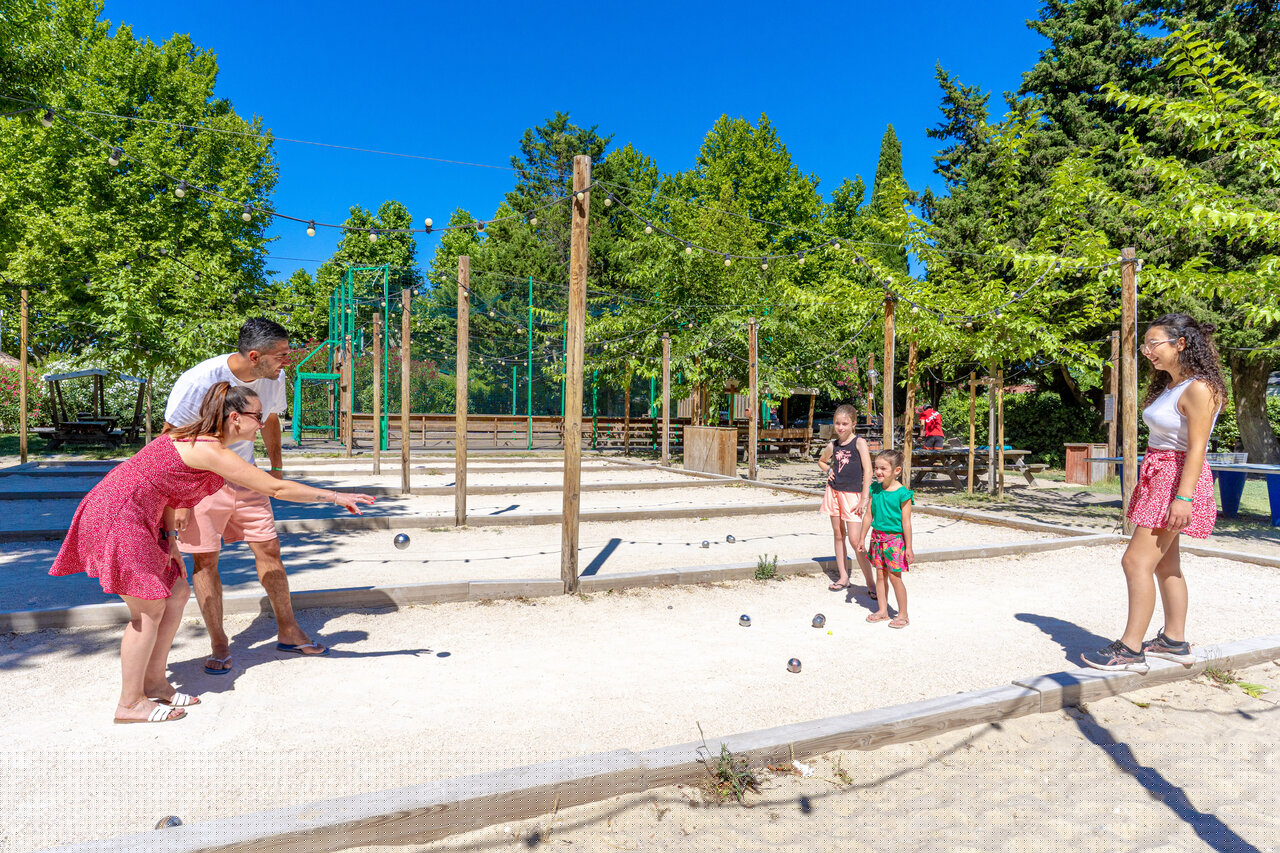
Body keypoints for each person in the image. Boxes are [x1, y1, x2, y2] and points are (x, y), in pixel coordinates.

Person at [50, 383, 374, 723]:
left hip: (138, 515)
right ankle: (129, 704)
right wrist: (334, 497)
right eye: (257, 417)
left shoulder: (199, 442)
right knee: (147, 609)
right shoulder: (209, 450)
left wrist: (170, 540)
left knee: (176, 592)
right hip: (119, 515)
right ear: (235, 417)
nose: (262, 424)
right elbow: (274, 487)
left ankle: (156, 682)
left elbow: (161, 489)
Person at [164, 318, 315, 674]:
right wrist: (179, 499)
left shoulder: (273, 377)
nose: (286, 361)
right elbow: (172, 438)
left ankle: (288, 630)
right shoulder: (198, 381)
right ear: (253, 355)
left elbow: (273, 421)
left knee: (269, 549)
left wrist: (275, 468)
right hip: (201, 482)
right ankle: (219, 642)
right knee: (205, 561)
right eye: (280, 355)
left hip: (246, 478)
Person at [1082, 314, 1225, 673]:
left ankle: (1130, 650)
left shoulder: (1199, 388)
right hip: (1160, 475)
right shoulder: (1173, 385)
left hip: (1175, 480)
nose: (1148, 352)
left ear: (1180, 343)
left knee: (1135, 562)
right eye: (1145, 345)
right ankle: (1174, 641)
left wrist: (1184, 497)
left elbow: (1197, 449)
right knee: (1166, 563)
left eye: (1153, 344)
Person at [817, 404, 874, 595]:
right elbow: (821, 461)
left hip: (853, 495)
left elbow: (868, 470)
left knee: (856, 540)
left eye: (845, 424)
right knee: (838, 534)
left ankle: (871, 583)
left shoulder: (859, 443)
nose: (840, 427)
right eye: (837, 423)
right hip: (834, 492)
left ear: (853, 424)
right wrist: (829, 470)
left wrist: (864, 497)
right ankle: (843, 577)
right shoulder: (833, 445)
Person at [860, 449, 915, 628]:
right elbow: (869, 516)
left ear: (896, 470)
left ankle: (903, 614)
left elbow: (906, 523)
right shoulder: (874, 489)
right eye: (876, 468)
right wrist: (862, 538)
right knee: (880, 575)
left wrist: (909, 548)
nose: (878, 472)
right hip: (877, 538)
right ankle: (882, 610)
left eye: (883, 468)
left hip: (895, 540)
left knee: (894, 576)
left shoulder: (903, 494)